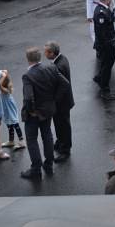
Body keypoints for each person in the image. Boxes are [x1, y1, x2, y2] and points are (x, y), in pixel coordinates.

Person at [20, 47, 70, 180]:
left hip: (35, 114)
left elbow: (28, 98)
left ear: (28, 59)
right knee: (47, 136)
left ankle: (35, 169)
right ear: (39, 57)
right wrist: (54, 99)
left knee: (32, 140)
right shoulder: (51, 68)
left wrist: (30, 111)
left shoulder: (28, 76)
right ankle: (49, 164)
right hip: (48, 110)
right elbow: (65, 83)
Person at [43, 41, 73, 162]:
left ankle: (65, 149)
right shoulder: (62, 59)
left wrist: (55, 99)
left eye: (46, 52)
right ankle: (60, 142)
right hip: (63, 101)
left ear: (51, 53)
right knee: (59, 124)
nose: (44, 54)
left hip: (62, 103)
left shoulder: (58, 66)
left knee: (63, 125)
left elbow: (63, 85)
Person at [92, 0, 115, 101]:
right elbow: (103, 33)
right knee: (107, 66)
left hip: (108, 43)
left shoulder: (104, 9)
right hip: (106, 45)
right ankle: (105, 90)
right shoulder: (101, 12)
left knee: (106, 64)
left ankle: (99, 78)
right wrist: (110, 44)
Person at [0, 71, 26, 151]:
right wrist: (4, 74)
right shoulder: (6, 86)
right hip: (7, 108)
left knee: (14, 123)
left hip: (9, 108)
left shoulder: (5, 89)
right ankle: (11, 141)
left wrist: (3, 76)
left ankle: (22, 141)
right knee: (9, 124)